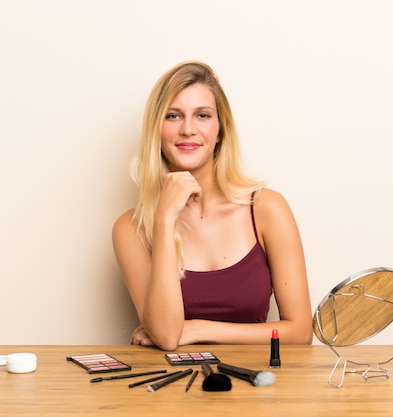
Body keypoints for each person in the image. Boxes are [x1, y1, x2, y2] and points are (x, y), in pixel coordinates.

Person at [112, 61, 312, 351]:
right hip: (167, 392)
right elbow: (167, 337)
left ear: (220, 131)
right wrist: (165, 218)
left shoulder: (268, 209)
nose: (188, 129)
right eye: (173, 116)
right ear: (157, 130)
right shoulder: (131, 229)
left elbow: (300, 331)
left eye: (203, 115)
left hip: (257, 387)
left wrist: (197, 329)